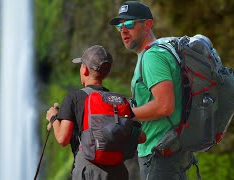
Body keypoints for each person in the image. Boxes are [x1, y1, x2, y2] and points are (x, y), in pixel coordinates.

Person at [108, 1, 198, 180]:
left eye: (129, 24)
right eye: (120, 26)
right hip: (170, 149)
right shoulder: (158, 52)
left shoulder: (152, 57)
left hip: (159, 152)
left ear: (148, 24)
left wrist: (125, 114)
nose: (123, 30)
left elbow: (164, 106)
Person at [45, 45, 131, 180]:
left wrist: (53, 118)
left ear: (84, 69)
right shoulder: (118, 100)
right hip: (117, 172)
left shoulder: (74, 98)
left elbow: (63, 138)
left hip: (88, 171)